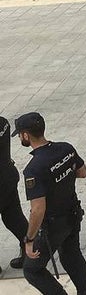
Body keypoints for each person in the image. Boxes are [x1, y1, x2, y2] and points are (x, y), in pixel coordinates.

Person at [14, 112, 86, 295]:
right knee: (70, 255)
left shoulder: (33, 169)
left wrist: (29, 239)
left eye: (20, 134)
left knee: (32, 270)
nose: (20, 137)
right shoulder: (66, 148)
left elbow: (37, 209)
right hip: (73, 216)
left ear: (26, 135)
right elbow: (82, 172)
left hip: (53, 225)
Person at [0, 115, 29, 274]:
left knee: (13, 218)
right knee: (13, 217)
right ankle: (29, 252)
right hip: (7, 177)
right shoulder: (3, 122)